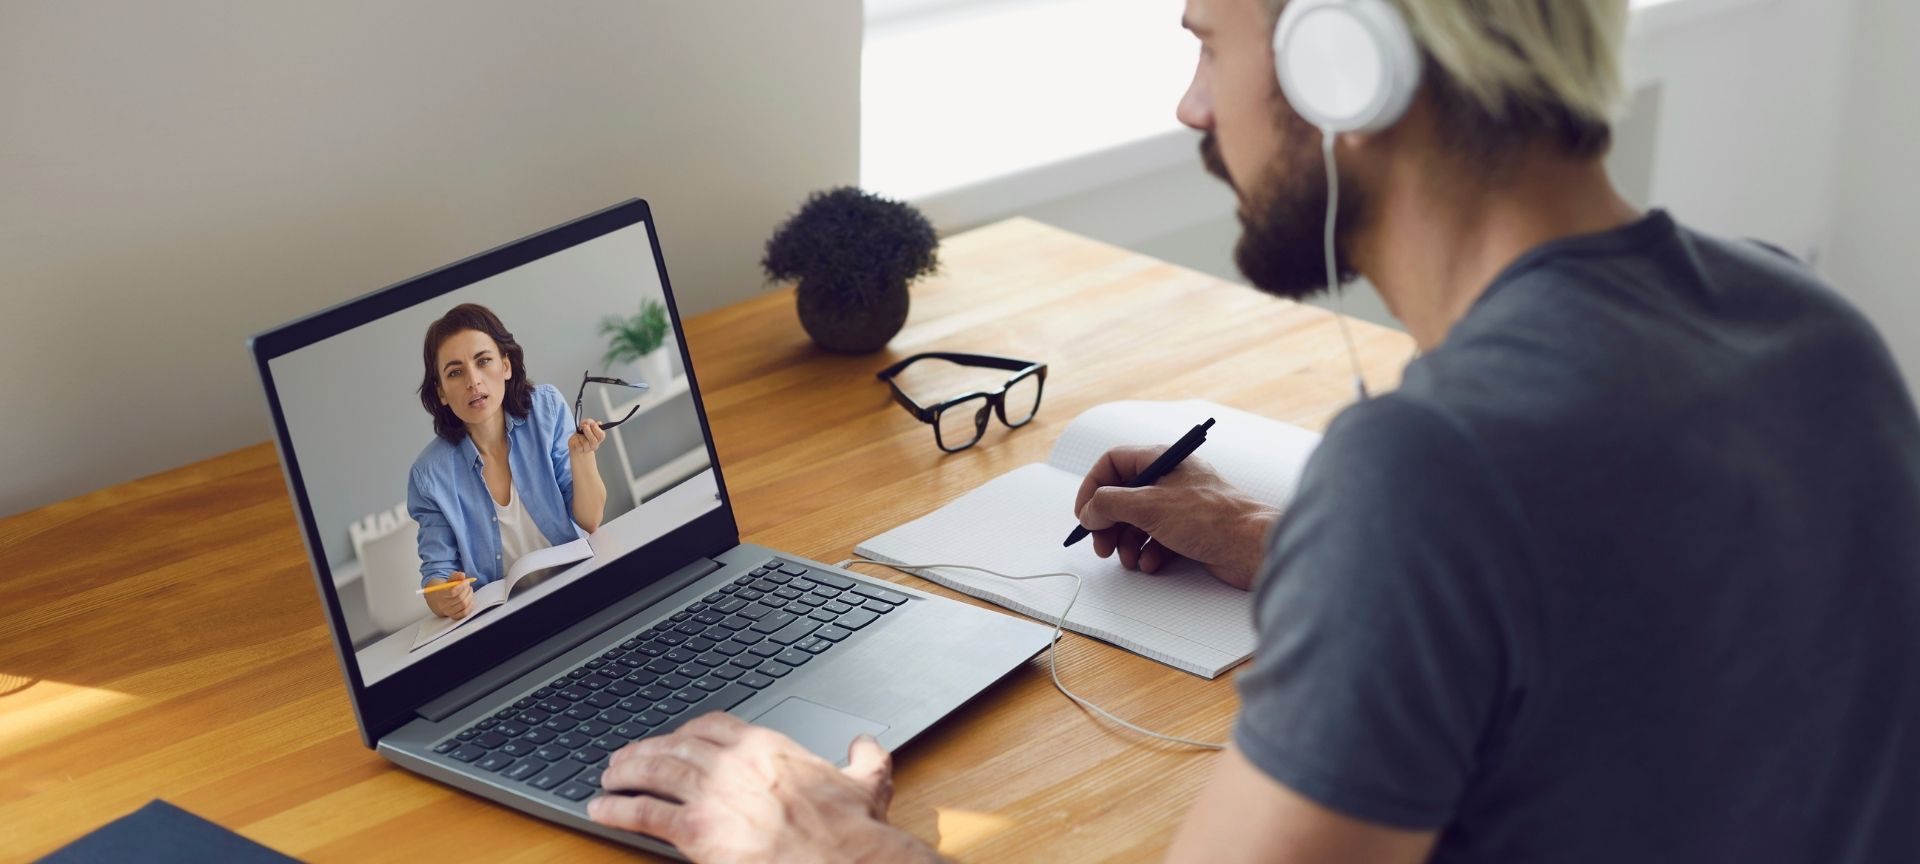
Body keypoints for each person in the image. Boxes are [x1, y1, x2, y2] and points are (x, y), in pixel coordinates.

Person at [586, 0, 1920, 860]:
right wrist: (1293, 553)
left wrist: (836, 850)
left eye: (1206, 46)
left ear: (1348, 63)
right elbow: (1625, 614)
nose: (1192, 110)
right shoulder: (1809, 330)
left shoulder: (1431, 476)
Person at [408, 303, 609, 619]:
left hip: (579, 589)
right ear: (442, 392)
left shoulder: (546, 409)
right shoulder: (429, 475)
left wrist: (582, 458)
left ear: (506, 366)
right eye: (455, 372)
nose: (473, 381)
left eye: (483, 361)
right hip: (505, 621)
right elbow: (436, 573)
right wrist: (444, 597)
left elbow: (590, 519)